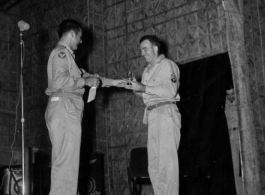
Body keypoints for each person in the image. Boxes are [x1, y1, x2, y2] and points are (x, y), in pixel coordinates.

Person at [45, 19, 125, 195]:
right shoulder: (61, 54)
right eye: (79, 37)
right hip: (64, 108)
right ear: (72, 34)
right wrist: (84, 81)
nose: (81, 41)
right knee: (66, 165)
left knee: (68, 165)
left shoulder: (70, 60)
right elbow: (59, 81)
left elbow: (94, 79)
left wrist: (121, 82)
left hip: (67, 109)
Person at [124, 35, 181, 195]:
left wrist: (143, 88)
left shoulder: (168, 65)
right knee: (154, 167)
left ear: (155, 48)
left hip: (166, 113)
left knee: (167, 166)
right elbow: (146, 95)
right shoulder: (147, 70)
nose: (142, 53)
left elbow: (170, 91)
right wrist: (136, 88)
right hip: (153, 116)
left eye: (145, 49)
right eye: (141, 50)